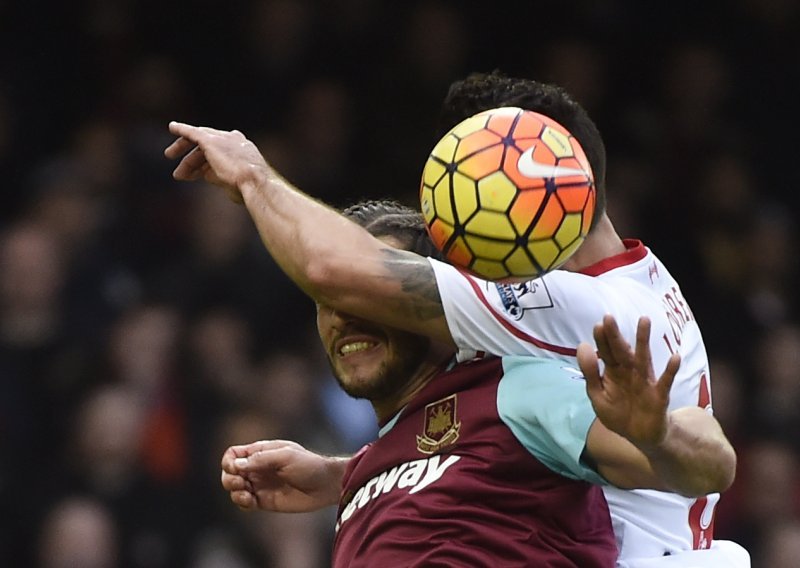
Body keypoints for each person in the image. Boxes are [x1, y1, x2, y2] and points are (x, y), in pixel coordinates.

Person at [164, 72, 749, 566]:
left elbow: (337, 270)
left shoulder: (577, 310)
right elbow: (495, 449)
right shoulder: (630, 283)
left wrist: (252, 176)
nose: (452, 214)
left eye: (474, 174)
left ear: (548, 171)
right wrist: (353, 473)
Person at [219, 202, 732, 567]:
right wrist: (346, 475)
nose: (344, 320)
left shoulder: (515, 388)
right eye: (325, 302)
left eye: (370, 301)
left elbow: (711, 466)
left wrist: (657, 434)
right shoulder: (375, 463)